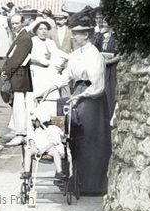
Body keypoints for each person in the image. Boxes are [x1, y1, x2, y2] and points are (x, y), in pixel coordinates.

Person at [35, 14, 111, 195]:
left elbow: (98, 86)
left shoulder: (94, 55)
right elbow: (66, 76)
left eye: (77, 34)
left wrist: (81, 96)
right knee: (71, 136)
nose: (73, 37)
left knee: (89, 140)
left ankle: (90, 186)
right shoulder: (75, 54)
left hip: (91, 101)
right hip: (77, 95)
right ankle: (71, 178)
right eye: (73, 33)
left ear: (86, 34)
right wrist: (48, 89)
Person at [2, 13, 34, 146]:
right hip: (16, 74)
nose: (14, 26)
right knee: (17, 104)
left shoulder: (24, 38)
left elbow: (16, 59)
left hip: (19, 75)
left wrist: (6, 72)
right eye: (13, 23)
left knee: (19, 105)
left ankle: (21, 133)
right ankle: (17, 130)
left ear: (23, 23)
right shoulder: (20, 36)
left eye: (17, 23)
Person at [28, 18, 65, 117]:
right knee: (37, 95)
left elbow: (58, 54)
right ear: (36, 30)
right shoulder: (32, 41)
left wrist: (62, 63)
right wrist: (38, 61)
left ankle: (49, 118)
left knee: (50, 96)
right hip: (37, 72)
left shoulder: (50, 42)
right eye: (40, 29)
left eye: (45, 29)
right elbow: (27, 56)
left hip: (50, 73)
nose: (43, 31)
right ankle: (35, 118)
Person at [91, 17, 119, 120]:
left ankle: (108, 117)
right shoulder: (100, 38)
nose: (102, 25)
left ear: (111, 26)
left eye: (105, 23)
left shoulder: (115, 39)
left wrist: (108, 61)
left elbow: (119, 55)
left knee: (110, 92)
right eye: (101, 22)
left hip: (111, 69)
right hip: (102, 68)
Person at [30, 105, 64, 180]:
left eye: (35, 120)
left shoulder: (52, 129)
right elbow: (31, 138)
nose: (33, 122)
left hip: (49, 149)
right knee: (28, 151)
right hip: (38, 149)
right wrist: (33, 146)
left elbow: (55, 141)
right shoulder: (36, 130)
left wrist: (44, 149)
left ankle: (59, 171)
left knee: (55, 152)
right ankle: (27, 172)